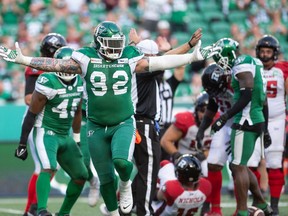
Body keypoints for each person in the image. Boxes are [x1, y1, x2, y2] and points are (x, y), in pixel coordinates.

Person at [0, 21, 217, 216]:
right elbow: (57, 65)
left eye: (117, 42)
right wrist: (22, 59)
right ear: (99, 42)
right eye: (110, 43)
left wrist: (191, 56)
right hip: (95, 125)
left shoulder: (129, 56)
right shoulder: (86, 57)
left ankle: (125, 186)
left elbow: (160, 62)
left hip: (123, 121)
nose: (114, 47)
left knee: (122, 164)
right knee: (104, 178)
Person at [129, 27, 203, 216]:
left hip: (142, 124)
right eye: (152, 55)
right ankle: (142, 211)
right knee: (148, 173)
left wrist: (135, 44)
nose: (156, 58)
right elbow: (166, 59)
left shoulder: (138, 67)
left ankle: (126, 208)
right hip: (142, 124)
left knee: (145, 172)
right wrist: (189, 47)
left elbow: (164, 59)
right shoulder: (142, 70)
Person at [15, 46, 89, 216]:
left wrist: (76, 138)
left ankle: (63, 213)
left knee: (80, 175)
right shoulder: (47, 81)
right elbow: (31, 114)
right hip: (46, 131)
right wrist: (22, 143)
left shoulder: (80, 81)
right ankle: (40, 210)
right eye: (64, 64)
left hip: (65, 134)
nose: (68, 68)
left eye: (71, 65)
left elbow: (77, 112)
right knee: (48, 168)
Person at [211, 38, 273, 216]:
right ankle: (260, 202)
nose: (220, 61)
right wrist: (265, 127)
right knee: (239, 165)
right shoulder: (255, 63)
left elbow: (246, 97)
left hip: (246, 119)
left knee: (237, 166)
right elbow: (264, 99)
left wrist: (224, 117)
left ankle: (243, 211)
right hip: (257, 117)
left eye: (220, 56)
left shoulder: (241, 63)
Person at [22, 32, 67, 216]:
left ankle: (32, 208)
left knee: (48, 167)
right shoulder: (37, 67)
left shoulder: (61, 68)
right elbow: (27, 98)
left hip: (53, 121)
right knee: (44, 167)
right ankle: (32, 209)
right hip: (37, 120)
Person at [248, 35, 287, 216]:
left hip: (276, 120)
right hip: (256, 119)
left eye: (268, 52)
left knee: (274, 163)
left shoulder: (283, 69)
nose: (265, 55)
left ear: (275, 53)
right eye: (262, 51)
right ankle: (257, 201)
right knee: (251, 162)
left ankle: (275, 205)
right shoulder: (252, 68)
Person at [196, 63, 233, 216]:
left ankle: (248, 206)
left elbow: (246, 102)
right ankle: (215, 209)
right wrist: (201, 130)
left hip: (243, 123)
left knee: (239, 169)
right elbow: (211, 110)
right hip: (225, 124)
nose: (213, 92)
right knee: (213, 165)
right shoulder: (214, 89)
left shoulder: (237, 83)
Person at [160, 92, 212, 176]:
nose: (205, 115)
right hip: (181, 158)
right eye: (202, 110)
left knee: (209, 168)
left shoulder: (217, 122)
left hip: (202, 160)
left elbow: (216, 148)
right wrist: (177, 155)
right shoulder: (186, 121)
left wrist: (204, 155)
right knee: (166, 173)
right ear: (196, 110)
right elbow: (165, 141)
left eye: (209, 111)